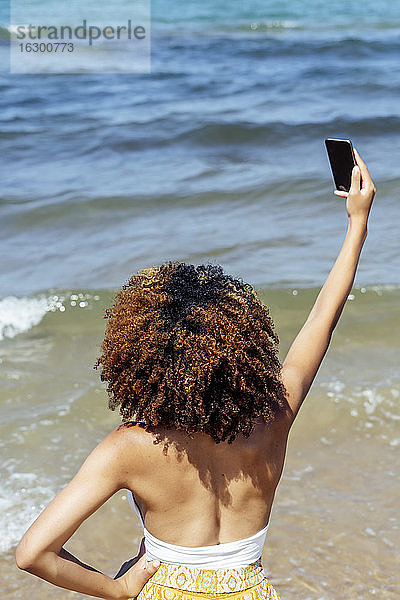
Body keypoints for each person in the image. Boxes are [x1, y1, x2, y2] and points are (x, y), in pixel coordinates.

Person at [16, 148, 375, 600]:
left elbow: (34, 553)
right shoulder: (274, 414)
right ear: (243, 349)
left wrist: (121, 588)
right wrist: (357, 224)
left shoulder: (129, 447)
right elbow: (323, 318)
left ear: (140, 359)